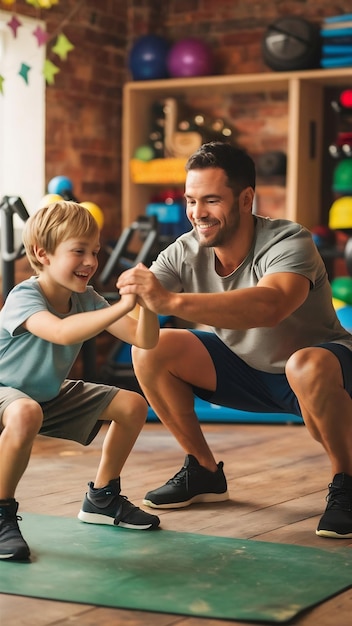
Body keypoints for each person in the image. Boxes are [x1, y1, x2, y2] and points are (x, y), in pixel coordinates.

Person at [116, 141, 352, 540]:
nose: (197, 213)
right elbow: (138, 311)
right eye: (191, 200)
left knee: (304, 365)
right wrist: (70, 306)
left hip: (321, 370)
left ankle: (347, 480)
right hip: (244, 369)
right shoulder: (184, 250)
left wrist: (170, 300)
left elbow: (271, 306)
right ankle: (204, 471)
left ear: (246, 199)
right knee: (150, 349)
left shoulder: (289, 241)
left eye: (211, 200)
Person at [0, 200, 161, 562]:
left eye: (95, 252)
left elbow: (145, 339)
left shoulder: (85, 298)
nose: (90, 261)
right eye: (78, 251)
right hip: (6, 395)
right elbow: (60, 332)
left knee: (132, 405)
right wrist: (122, 305)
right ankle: (0, 514)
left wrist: (149, 303)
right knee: (25, 412)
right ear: (43, 254)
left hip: (45, 397)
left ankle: (102, 498)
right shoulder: (24, 297)